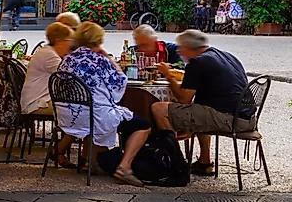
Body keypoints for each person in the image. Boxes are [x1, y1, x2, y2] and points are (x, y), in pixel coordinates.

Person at [55, 22, 151, 186]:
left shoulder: (67, 60)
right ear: (98, 40)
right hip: (94, 116)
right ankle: (124, 166)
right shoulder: (99, 60)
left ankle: (89, 161)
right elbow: (119, 85)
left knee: (96, 109)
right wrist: (109, 59)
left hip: (69, 116)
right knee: (143, 126)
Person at [151, 29, 251, 177]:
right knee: (200, 106)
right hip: (246, 117)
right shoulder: (227, 55)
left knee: (158, 108)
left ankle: (176, 164)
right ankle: (205, 162)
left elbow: (183, 100)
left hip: (229, 119)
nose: (180, 53)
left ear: (188, 48)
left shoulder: (197, 62)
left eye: (181, 48)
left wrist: (168, 76)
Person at [20, 21, 74, 114]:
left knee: (76, 108)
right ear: (59, 41)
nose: (70, 45)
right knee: (76, 110)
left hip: (39, 100)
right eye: (68, 41)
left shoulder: (48, 52)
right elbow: (68, 76)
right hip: (36, 104)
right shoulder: (49, 56)